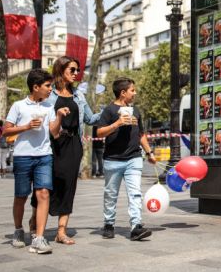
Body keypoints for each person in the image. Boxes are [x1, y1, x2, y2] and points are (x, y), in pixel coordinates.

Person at [30, 55, 99, 245]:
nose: (76, 74)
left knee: (68, 186)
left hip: (73, 145)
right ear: (61, 70)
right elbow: (36, 113)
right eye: (72, 70)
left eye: (77, 70)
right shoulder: (48, 94)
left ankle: (61, 231)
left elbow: (91, 119)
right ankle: (36, 219)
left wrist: (111, 112)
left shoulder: (79, 95)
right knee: (45, 185)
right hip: (50, 144)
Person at [3, 69, 69, 254]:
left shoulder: (49, 106)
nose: (50, 89)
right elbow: (6, 131)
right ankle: (18, 230)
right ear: (35, 87)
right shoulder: (18, 106)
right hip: (22, 157)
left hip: (44, 156)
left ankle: (39, 239)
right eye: (47, 86)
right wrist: (25, 126)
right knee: (21, 196)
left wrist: (59, 116)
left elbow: (54, 133)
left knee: (43, 194)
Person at [96, 77, 156, 241]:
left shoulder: (135, 111)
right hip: (112, 159)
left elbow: (141, 134)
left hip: (133, 158)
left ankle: (136, 226)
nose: (135, 93)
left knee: (135, 193)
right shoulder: (108, 111)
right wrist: (118, 123)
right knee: (110, 194)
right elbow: (99, 132)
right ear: (123, 93)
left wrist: (149, 153)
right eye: (132, 90)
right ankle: (109, 224)